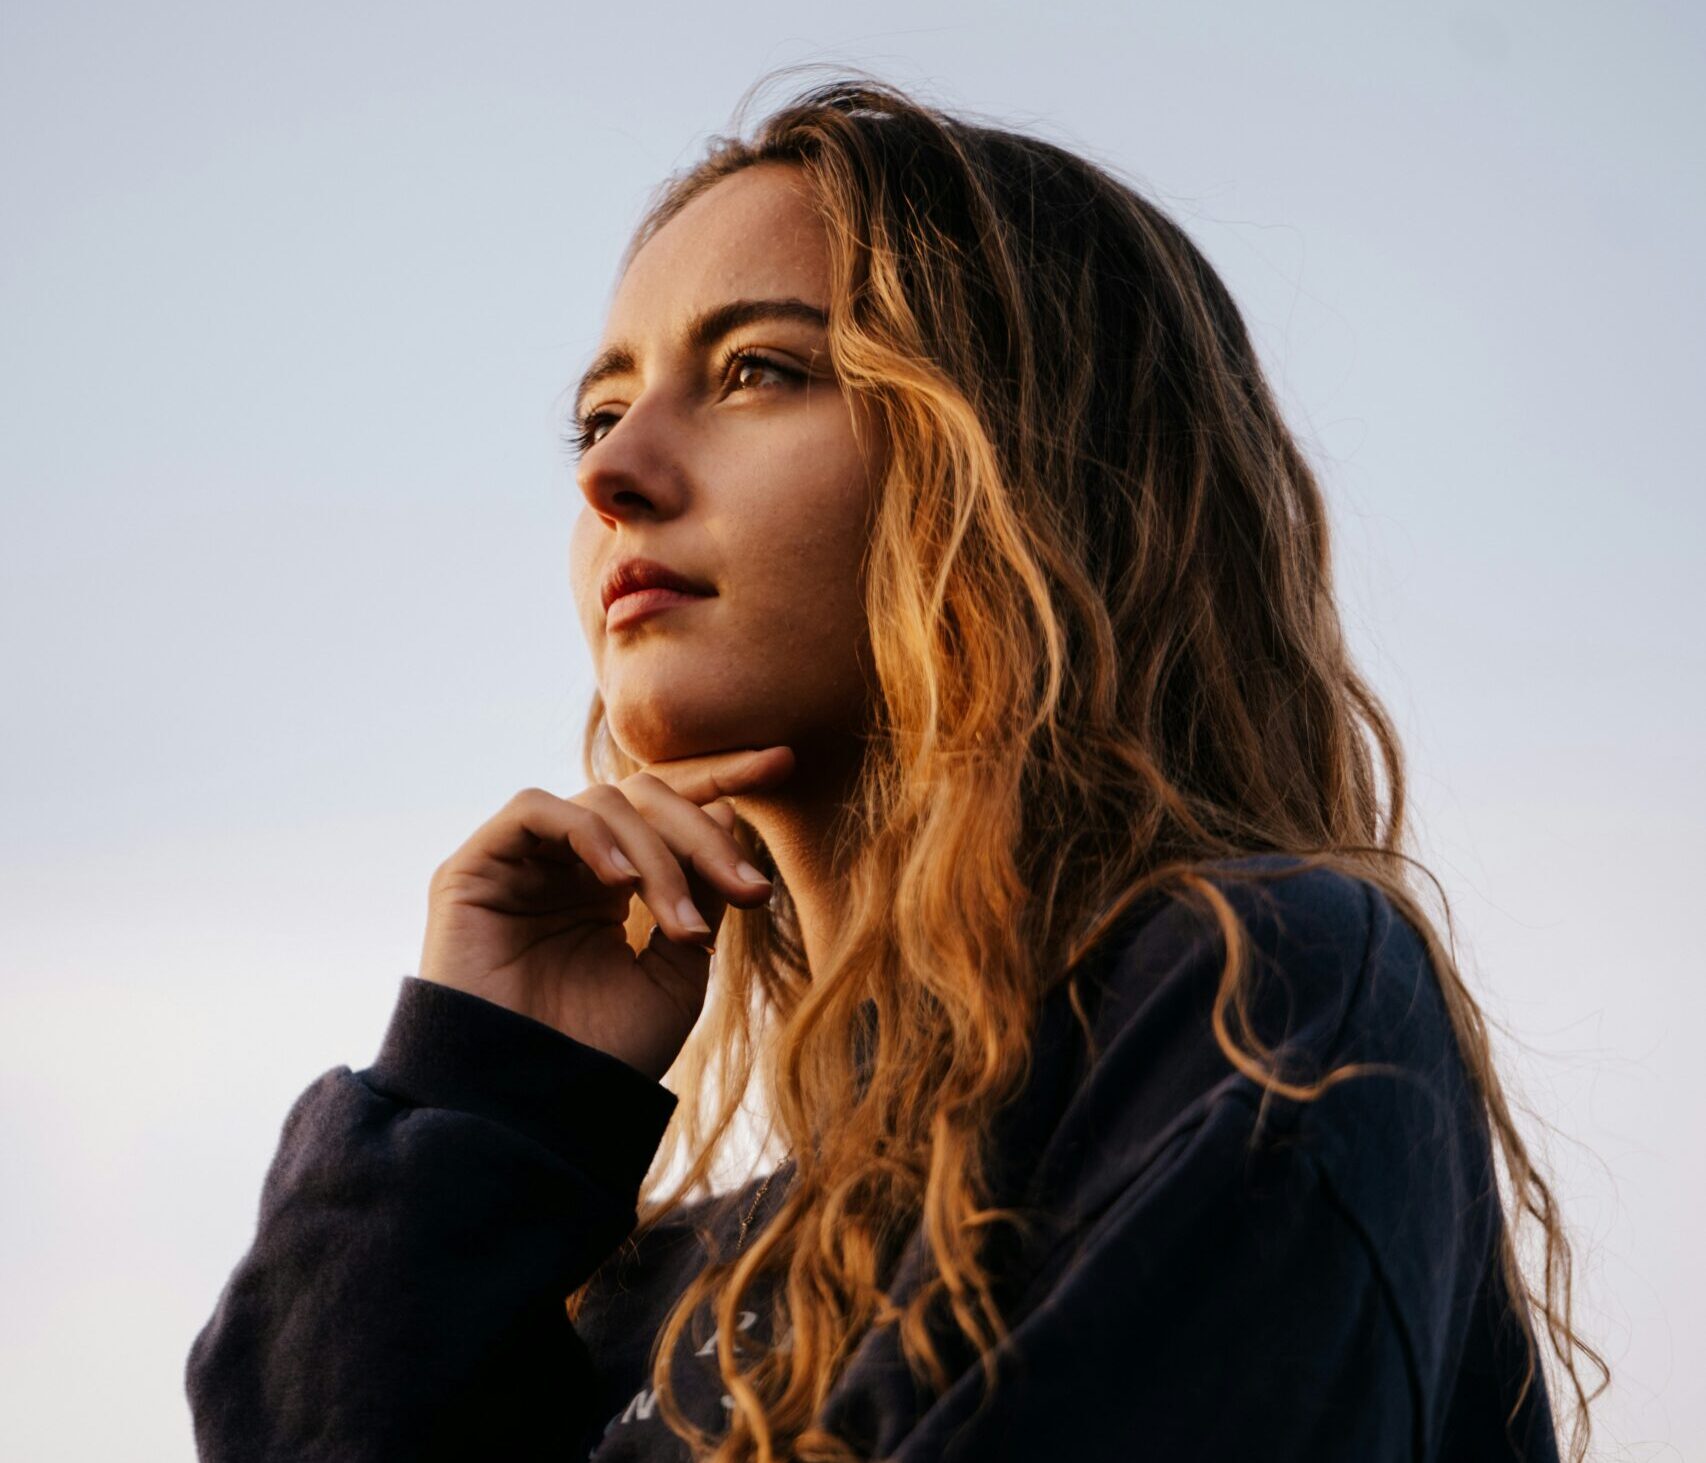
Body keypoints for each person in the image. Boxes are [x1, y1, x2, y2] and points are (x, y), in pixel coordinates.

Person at [184, 74, 1605, 1462]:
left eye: (759, 372)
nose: (610, 474)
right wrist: (483, 1095)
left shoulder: (1258, 998)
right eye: (600, 411)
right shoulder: (648, 1301)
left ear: (1029, 465)